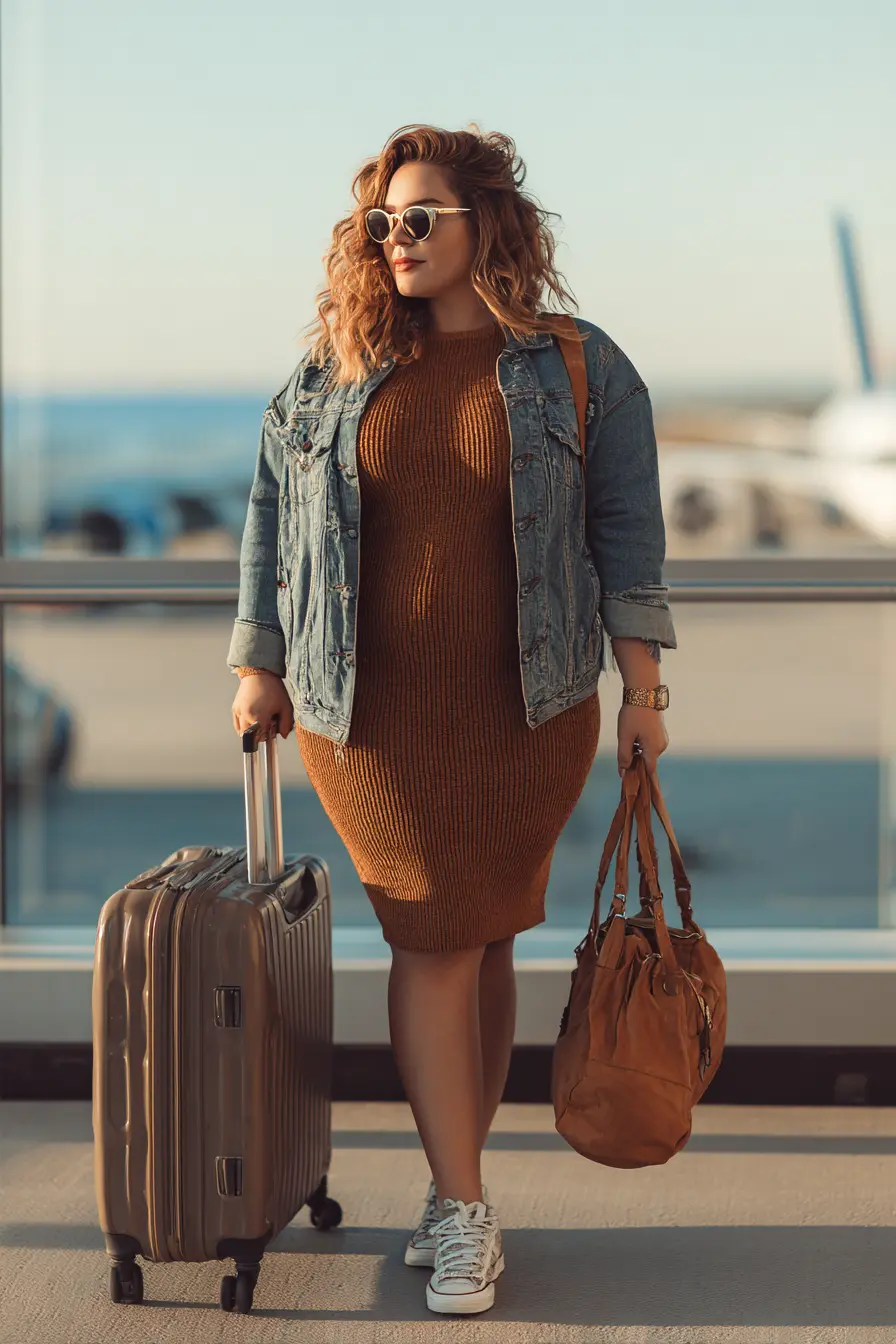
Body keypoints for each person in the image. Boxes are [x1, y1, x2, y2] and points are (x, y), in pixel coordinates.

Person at [228, 122, 676, 1316]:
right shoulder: (334, 364)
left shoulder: (574, 365)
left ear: (490, 225)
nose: (397, 240)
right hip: (365, 720)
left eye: (421, 216)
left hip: (527, 714)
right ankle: (466, 1204)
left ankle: (448, 1189)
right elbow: (269, 507)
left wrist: (642, 692)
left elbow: (625, 534)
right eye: (382, 222)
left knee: (482, 943)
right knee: (429, 939)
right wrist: (256, 663)